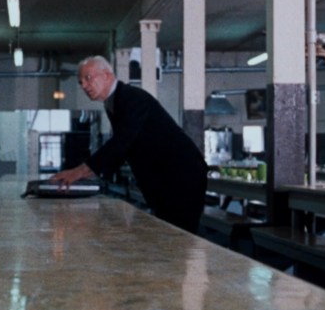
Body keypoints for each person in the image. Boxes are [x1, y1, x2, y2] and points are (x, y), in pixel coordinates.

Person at [49, 55, 209, 234]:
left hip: (182, 177)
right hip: (168, 178)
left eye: (88, 78)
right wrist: (92, 175)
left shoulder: (131, 98)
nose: (84, 86)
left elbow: (122, 141)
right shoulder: (114, 102)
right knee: (170, 238)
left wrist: (81, 171)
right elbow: (125, 148)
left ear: (107, 75)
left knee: (179, 239)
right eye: (81, 82)